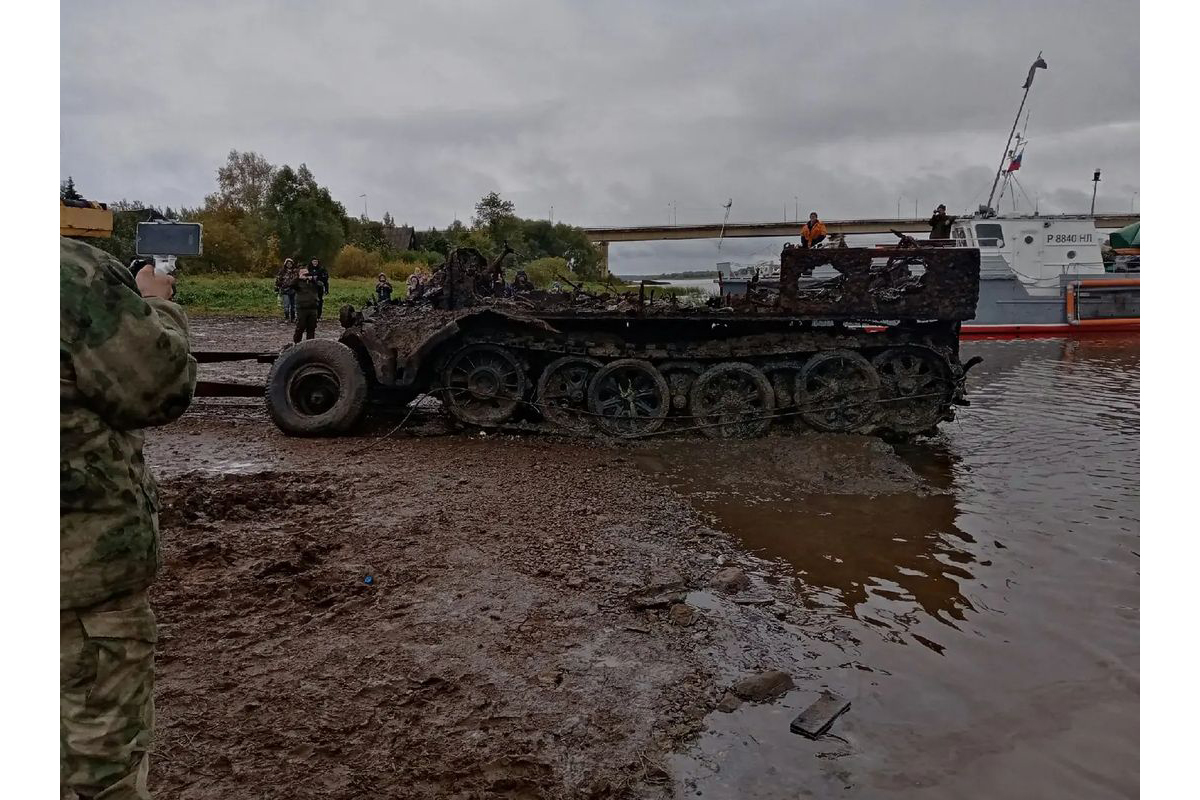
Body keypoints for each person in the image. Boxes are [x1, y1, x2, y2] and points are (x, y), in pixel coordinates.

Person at [61, 236, 197, 799]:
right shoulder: (63, 274)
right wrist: (155, 304)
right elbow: (159, 385)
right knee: (96, 769)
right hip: (77, 589)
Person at [286, 267, 322, 343]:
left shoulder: (313, 283)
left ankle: (310, 344)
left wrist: (312, 279)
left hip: (313, 308)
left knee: (311, 328)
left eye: (307, 273)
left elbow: (321, 286)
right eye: (303, 273)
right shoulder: (297, 283)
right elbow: (290, 285)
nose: (306, 275)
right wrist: (299, 278)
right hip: (302, 308)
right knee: (301, 327)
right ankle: (296, 343)